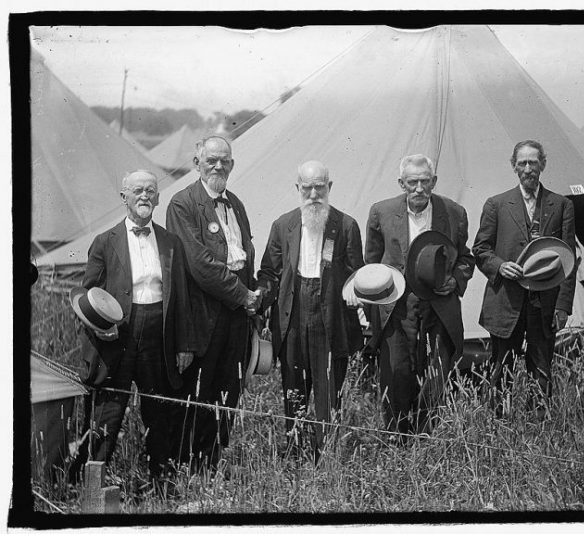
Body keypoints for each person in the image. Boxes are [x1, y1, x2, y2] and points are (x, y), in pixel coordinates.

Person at [71, 170, 195, 487]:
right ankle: (91, 488)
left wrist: (183, 344)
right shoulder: (104, 242)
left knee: (159, 412)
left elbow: (180, 297)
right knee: (108, 414)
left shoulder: (170, 243)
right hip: (119, 337)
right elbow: (87, 295)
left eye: (150, 191)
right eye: (137, 190)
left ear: (157, 198)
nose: (145, 196)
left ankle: (162, 487)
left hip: (158, 337)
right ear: (123, 196)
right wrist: (101, 329)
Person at [257, 161, 364, 457]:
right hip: (292, 314)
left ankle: (325, 455)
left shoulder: (345, 225)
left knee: (328, 391)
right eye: (308, 187)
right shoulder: (283, 225)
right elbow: (269, 272)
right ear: (298, 189)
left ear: (329, 188)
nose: (314, 193)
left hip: (330, 315)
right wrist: (258, 295)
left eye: (320, 186)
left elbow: (358, 273)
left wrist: (356, 288)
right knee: (293, 388)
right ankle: (296, 453)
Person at [166, 136, 261, 468]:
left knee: (228, 394)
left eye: (225, 161)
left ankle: (212, 468)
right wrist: (243, 295)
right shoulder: (182, 203)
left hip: (236, 316)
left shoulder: (236, 203)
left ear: (232, 165)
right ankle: (185, 469)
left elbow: (245, 257)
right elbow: (200, 265)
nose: (218, 166)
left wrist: (253, 299)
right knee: (198, 395)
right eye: (211, 160)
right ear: (197, 164)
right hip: (203, 317)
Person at [365, 154, 474, 437]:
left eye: (425, 181)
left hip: (438, 307)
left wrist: (455, 279)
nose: (419, 189)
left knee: (435, 378)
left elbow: (466, 258)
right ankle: (397, 442)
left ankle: (426, 441)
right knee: (397, 375)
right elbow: (372, 263)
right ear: (401, 183)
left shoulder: (454, 213)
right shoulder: (381, 212)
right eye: (412, 182)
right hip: (397, 310)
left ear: (434, 182)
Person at [473, 140, 576, 420]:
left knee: (542, 372)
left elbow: (569, 259)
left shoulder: (561, 205)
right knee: (500, 371)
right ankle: (496, 429)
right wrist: (500, 265)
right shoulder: (496, 204)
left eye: (533, 162)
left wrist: (563, 306)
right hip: (506, 303)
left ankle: (538, 432)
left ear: (543, 164)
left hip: (544, 305)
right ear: (514, 166)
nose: (528, 169)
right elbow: (480, 249)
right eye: (522, 163)